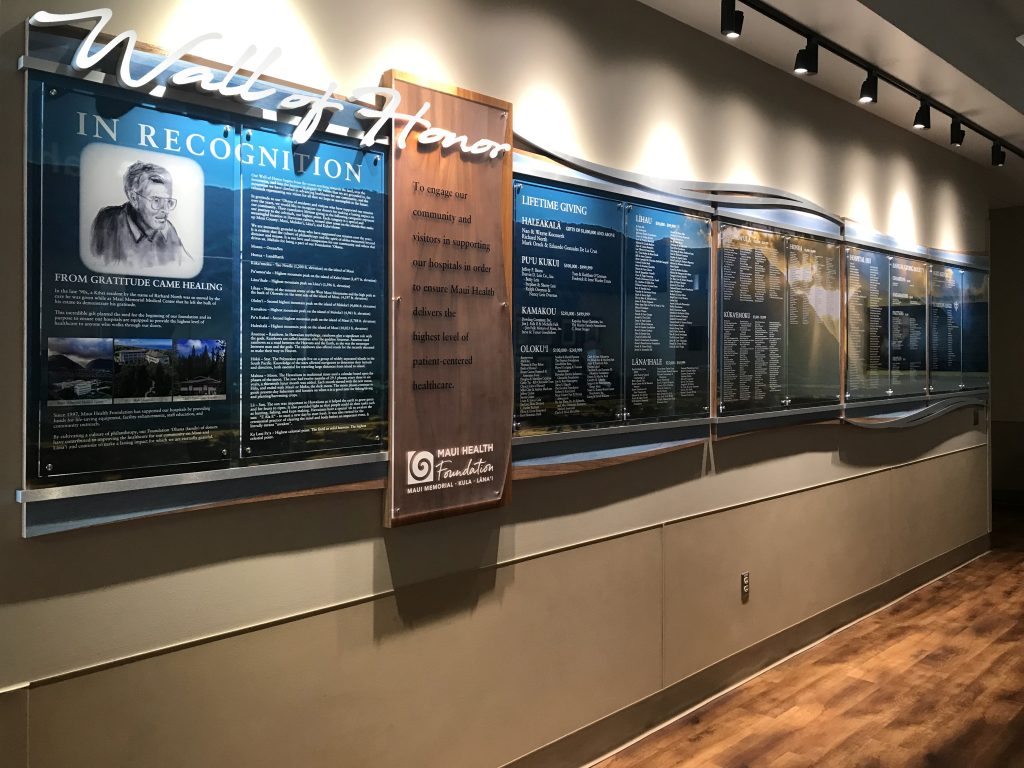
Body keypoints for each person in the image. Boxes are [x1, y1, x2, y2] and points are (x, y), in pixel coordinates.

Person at [90, 161, 192, 271]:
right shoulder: (108, 222)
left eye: (168, 201)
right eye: (156, 200)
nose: (165, 210)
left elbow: (186, 266)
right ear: (134, 198)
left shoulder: (168, 230)